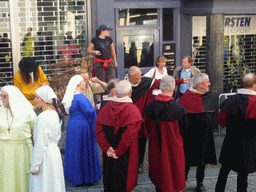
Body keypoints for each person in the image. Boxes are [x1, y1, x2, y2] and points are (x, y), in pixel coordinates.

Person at [127, 66, 186, 173]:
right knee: (129, 141)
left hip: (143, 119)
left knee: (142, 142)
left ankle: (140, 163)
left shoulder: (146, 82)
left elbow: (163, 83)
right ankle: (129, 162)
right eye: (138, 75)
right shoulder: (125, 85)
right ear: (131, 76)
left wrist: (180, 81)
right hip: (129, 120)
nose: (141, 76)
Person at [95, 80, 143, 192]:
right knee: (123, 184)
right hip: (125, 155)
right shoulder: (133, 111)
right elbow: (129, 137)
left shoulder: (105, 108)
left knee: (109, 181)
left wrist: (107, 148)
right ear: (130, 92)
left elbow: (98, 130)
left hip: (109, 154)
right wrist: (118, 152)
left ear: (116, 92)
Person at [143, 75, 188, 192]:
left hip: (156, 146)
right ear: (174, 88)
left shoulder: (151, 107)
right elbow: (184, 130)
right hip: (174, 147)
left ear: (160, 88)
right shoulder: (179, 109)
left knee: (159, 172)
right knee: (174, 171)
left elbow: (147, 128)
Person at [215, 73, 256, 192]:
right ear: (253, 86)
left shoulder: (230, 101)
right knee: (243, 174)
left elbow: (221, 121)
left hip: (231, 140)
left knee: (224, 171)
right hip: (249, 142)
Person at [178, 73, 218, 192]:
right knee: (187, 159)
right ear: (199, 84)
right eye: (207, 82)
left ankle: (200, 182)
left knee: (203, 159)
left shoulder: (211, 96)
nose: (209, 84)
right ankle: (182, 182)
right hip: (190, 134)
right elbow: (181, 117)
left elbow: (214, 114)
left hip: (205, 133)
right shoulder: (186, 97)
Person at [62, 75, 101, 185]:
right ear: (78, 84)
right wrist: (97, 107)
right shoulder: (80, 97)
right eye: (83, 81)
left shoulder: (71, 96)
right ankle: (86, 177)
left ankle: (74, 175)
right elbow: (89, 112)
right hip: (82, 127)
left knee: (75, 150)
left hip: (73, 125)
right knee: (84, 149)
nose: (85, 83)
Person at [0, 85, 36, 192]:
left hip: (22, 152)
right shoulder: (1, 112)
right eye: (1, 96)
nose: (2, 98)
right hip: (4, 153)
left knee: (21, 179)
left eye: (4, 96)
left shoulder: (28, 112)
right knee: (7, 179)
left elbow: (36, 132)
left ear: (12, 97)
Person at [29, 85, 65, 191]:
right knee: (53, 184)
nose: (35, 100)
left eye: (37, 97)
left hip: (45, 155)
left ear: (44, 100)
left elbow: (40, 143)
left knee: (44, 184)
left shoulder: (43, 117)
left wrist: (35, 165)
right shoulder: (55, 113)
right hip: (54, 152)